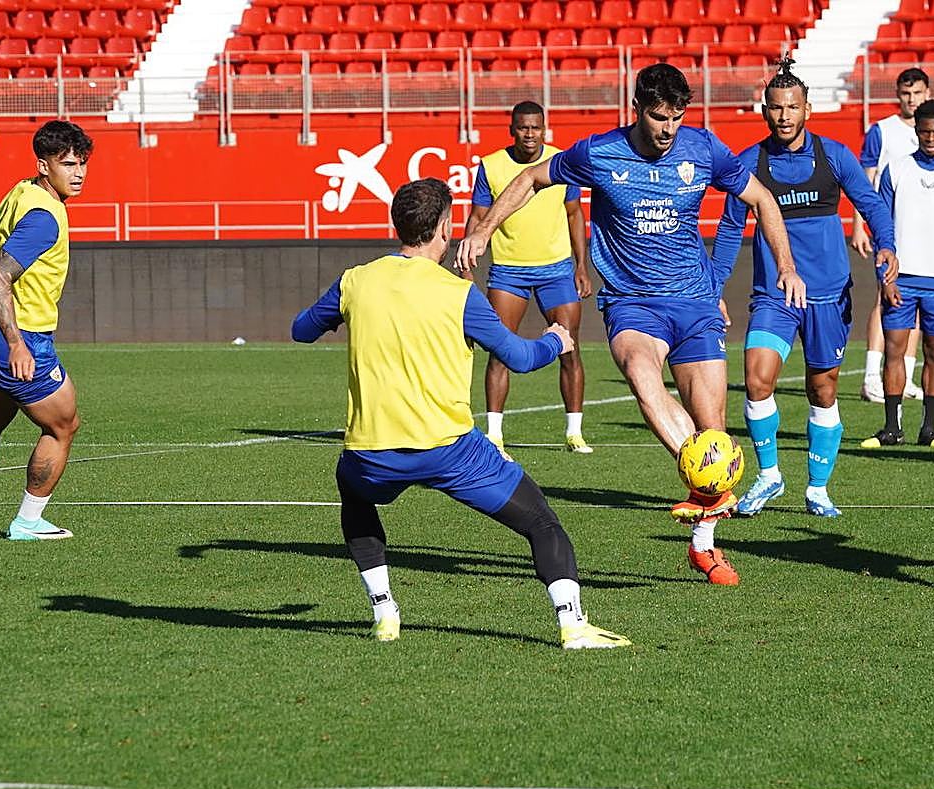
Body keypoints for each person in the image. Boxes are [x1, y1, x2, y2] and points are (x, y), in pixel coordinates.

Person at [456, 63, 802, 586]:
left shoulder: (703, 150)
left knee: (714, 433)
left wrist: (787, 266)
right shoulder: (599, 152)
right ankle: (705, 482)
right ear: (637, 110)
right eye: (660, 118)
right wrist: (482, 230)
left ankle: (704, 546)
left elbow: (761, 199)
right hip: (632, 304)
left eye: (678, 118)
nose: (669, 129)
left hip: (695, 302)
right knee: (643, 378)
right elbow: (529, 179)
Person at [291, 177, 629, 649]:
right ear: (445, 228)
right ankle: (572, 625)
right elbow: (520, 358)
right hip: (451, 450)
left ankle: (385, 613)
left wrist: (344, 313)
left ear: (399, 228)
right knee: (541, 523)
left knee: (354, 493)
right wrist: (557, 339)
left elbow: (301, 329)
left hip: (373, 453)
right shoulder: (458, 293)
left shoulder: (356, 279)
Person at [712, 57, 898, 518]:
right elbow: (731, 227)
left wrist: (887, 245)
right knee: (756, 379)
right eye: (776, 108)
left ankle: (817, 488)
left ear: (807, 109)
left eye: (792, 107)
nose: (784, 116)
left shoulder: (832, 155)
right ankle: (769, 475)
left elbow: (871, 204)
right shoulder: (748, 163)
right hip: (774, 294)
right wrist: (713, 287)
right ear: (765, 111)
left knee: (823, 391)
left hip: (828, 295)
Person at [0, 120, 92, 540]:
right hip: (15, 334)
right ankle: (28, 522)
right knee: (63, 425)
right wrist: (18, 344)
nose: (78, 172)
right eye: (67, 163)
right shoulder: (45, 217)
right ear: (43, 165)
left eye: (82, 163)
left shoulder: (22, 190)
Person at [467, 101, 594, 455]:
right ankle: (494, 433)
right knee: (499, 351)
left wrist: (581, 266)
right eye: (523, 127)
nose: (529, 134)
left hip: (557, 270)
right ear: (512, 129)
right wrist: (467, 262)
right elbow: (478, 217)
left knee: (569, 350)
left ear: (544, 129)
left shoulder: (560, 162)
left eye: (535, 127)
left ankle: (574, 433)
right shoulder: (491, 166)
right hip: (508, 272)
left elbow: (574, 215)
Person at [861, 99, 934, 450]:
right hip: (902, 279)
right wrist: (886, 277)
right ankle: (890, 428)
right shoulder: (895, 170)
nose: (930, 138)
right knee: (894, 351)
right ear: (916, 131)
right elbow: (882, 228)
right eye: (924, 131)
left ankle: (929, 429)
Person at [852, 67, 932, 404]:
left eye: (917, 93)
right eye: (905, 94)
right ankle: (872, 376)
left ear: (927, 93)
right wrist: (859, 225)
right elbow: (863, 180)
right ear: (898, 95)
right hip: (889, 226)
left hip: (923, 228)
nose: (911, 100)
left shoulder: (933, 129)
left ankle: (907, 377)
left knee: (915, 304)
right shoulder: (881, 132)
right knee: (885, 298)